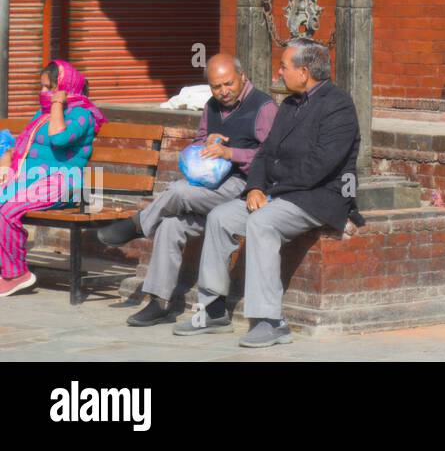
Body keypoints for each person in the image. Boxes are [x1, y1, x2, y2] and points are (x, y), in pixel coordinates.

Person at [175, 38, 360, 347]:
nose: (279, 71)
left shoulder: (337, 105)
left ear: (304, 72)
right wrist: (256, 187)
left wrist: (271, 190)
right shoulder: (289, 105)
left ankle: (270, 320)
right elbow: (263, 154)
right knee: (220, 216)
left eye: (284, 66)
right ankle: (213, 310)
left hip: (317, 196)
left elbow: (320, 166)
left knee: (262, 222)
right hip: (277, 192)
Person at [97, 53, 277, 326]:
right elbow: (199, 140)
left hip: (244, 185)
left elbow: (271, 155)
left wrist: (231, 153)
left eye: (228, 84)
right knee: (170, 224)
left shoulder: (263, 107)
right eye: (217, 87)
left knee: (180, 192)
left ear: (242, 77)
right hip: (211, 184)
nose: (223, 91)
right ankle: (159, 302)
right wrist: (208, 143)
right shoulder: (211, 106)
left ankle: (138, 225)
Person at [0, 61, 104, 297]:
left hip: (62, 183)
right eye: (43, 88)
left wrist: (58, 103)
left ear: (64, 87)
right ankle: (6, 266)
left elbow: (58, 138)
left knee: (6, 210)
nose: (44, 93)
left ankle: (17, 274)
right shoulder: (44, 112)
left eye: (49, 88)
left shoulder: (82, 114)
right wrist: (7, 163)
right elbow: (23, 145)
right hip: (32, 180)